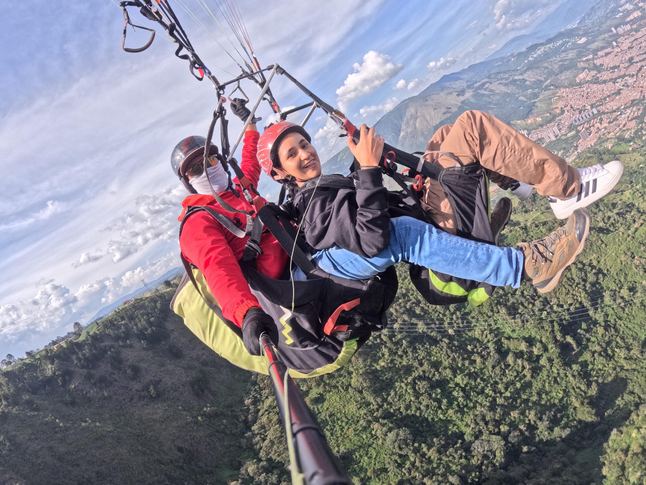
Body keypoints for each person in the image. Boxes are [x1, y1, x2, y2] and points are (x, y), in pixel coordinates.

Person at [257, 111, 622, 294]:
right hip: (434, 244)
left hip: (425, 215)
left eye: (304, 144)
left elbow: (366, 205)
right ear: (279, 173)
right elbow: (372, 241)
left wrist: (373, 162)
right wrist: (368, 169)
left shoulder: (319, 188)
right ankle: (566, 190)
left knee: (443, 137)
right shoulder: (312, 209)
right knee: (472, 128)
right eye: (292, 154)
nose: (305, 153)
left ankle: (519, 184)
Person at [173, 101, 285, 356]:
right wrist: (247, 312)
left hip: (299, 246)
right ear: (189, 182)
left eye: (210, 159)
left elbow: (250, 159)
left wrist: (250, 123)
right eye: (197, 168)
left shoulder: (238, 188)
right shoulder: (198, 221)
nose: (208, 168)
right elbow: (218, 268)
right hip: (283, 278)